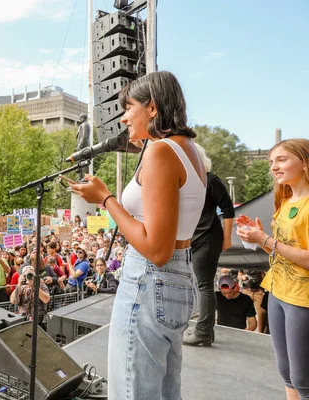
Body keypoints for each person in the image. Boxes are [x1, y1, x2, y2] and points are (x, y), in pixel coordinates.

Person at [70, 71, 206, 399]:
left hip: (150, 278)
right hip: (177, 276)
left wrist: (105, 199)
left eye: (128, 107)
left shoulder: (161, 153)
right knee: (163, 391)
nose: (124, 117)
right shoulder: (189, 150)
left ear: (153, 108)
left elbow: (155, 249)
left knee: (131, 391)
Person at [236, 138, 309, 400]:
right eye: (271, 162)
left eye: (281, 160)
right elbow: (281, 253)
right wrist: (257, 237)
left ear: (304, 162)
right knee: (287, 372)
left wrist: (265, 240)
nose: (273, 168)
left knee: (304, 379)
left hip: (302, 299)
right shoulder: (286, 202)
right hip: (278, 292)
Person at [184, 144, 235, 346]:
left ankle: (204, 331)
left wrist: (227, 238)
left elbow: (228, 209)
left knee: (204, 284)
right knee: (200, 283)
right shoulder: (188, 182)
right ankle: (205, 330)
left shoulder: (210, 180)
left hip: (208, 237)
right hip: (194, 239)